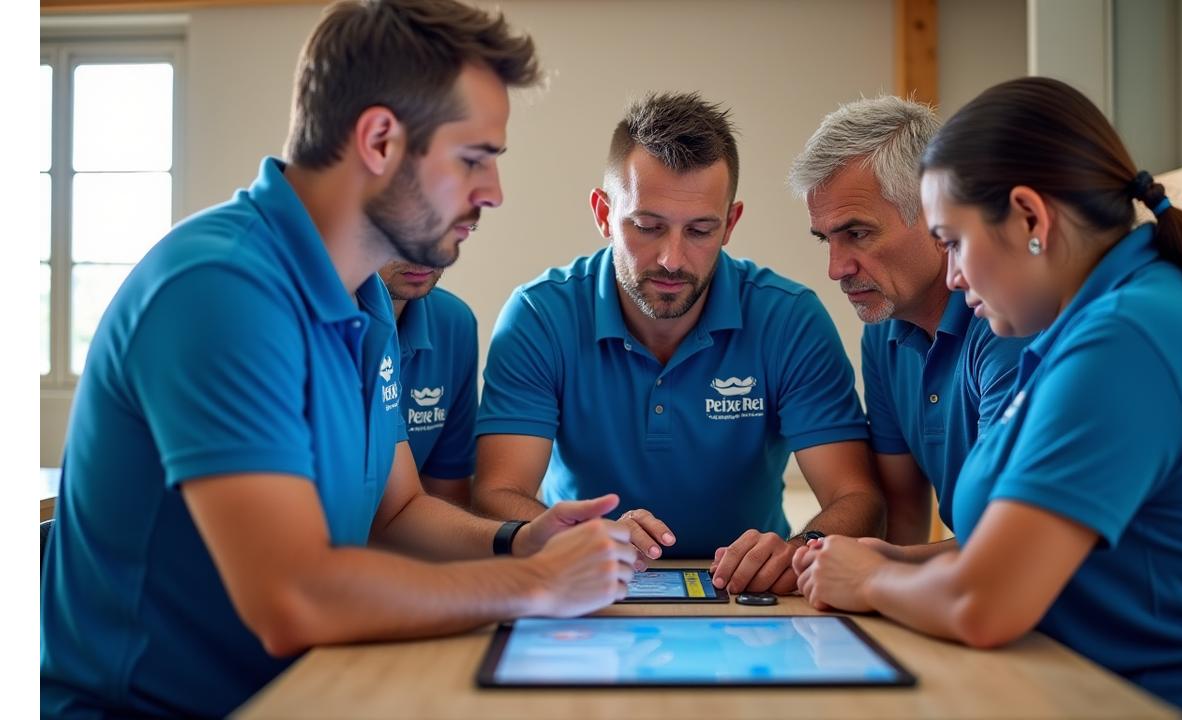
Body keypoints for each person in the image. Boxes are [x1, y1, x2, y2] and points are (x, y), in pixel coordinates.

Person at [40, 2, 636, 717]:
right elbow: (295, 597)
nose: (493, 194)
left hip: (300, 692)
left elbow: (397, 512)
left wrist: (518, 541)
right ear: (380, 140)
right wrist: (537, 585)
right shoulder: (220, 288)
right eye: (474, 159)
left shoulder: (364, 297)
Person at [793, 76, 1182, 719]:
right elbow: (1014, 553)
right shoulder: (1081, 329)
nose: (951, 274)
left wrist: (872, 579)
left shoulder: (1125, 339)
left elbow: (985, 602)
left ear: (1031, 218)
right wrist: (899, 560)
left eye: (953, 242)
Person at [473, 92, 885, 595]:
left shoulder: (790, 319)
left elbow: (857, 496)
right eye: (647, 227)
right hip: (588, 582)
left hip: (750, 595)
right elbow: (497, 492)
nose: (672, 258)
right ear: (604, 214)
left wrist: (804, 549)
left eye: (700, 230)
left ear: (730, 224)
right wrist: (582, 537)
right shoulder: (539, 315)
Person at [788, 97, 1031, 546]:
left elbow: (1012, 550)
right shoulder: (883, 330)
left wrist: (871, 573)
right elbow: (902, 520)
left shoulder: (1007, 320)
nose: (836, 268)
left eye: (857, 234)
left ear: (935, 214)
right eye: (826, 240)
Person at [379, 262, 478, 507]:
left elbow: (447, 499)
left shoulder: (453, 322)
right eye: (402, 228)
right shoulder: (296, 321)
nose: (423, 253)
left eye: (442, 229)